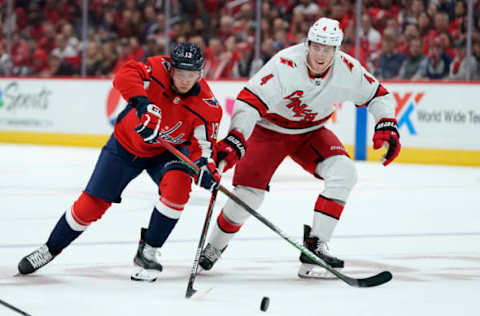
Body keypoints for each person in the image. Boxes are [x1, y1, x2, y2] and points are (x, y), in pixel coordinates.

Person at [199, 18, 401, 279]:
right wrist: (237, 137)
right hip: (269, 130)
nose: (320, 54)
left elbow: (378, 95)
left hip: (310, 132)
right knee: (248, 196)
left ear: (337, 50)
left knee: (344, 173)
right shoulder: (285, 64)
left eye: (327, 49)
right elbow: (249, 102)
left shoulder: (348, 70)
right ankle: (214, 247)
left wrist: (386, 124)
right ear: (308, 44)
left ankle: (315, 250)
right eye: (316, 47)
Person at [17, 43, 223, 282]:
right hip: (124, 147)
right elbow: (125, 75)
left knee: (178, 187)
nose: (186, 80)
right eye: (180, 74)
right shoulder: (156, 69)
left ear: (200, 73)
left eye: (192, 75)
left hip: (166, 154)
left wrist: (205, 168)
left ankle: (149, 250)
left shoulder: (208, 107)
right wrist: (142, 103)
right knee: (90, 206)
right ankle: (50, 248)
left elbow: (203, 148)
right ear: (171, 69)